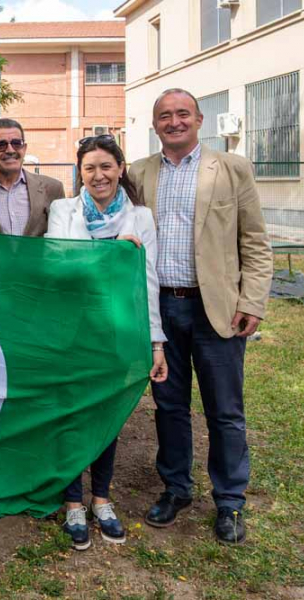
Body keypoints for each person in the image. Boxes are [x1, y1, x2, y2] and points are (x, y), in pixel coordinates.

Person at [130, 88, 273, 544]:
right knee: (169, 407)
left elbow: (254, 241)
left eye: (182, 114)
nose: (174, 122)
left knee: (225, 411)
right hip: (159, 310)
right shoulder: (138, 173)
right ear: (155, 125)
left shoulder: (231, 168)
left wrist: (251, 301)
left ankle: (229, 501)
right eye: (165, 116)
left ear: (199, 119)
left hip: (218, 310)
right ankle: (177, 488)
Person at [47, 135, 168, 551]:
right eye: (88, 169)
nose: (98, 175)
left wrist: (156, 342)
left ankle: (101, 498)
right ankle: (72, 500)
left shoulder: (142, 218)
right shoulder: (62, 211)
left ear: (120, 168)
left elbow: (147, 282)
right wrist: (109, 255)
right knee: (71, 412)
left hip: (118, 331)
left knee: (108, 415)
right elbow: (56, 267)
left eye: (105, 166)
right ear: (79, 173)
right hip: (71, 331)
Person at [0, 118, 65, 237]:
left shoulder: (52, 188)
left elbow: (61, 239)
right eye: (0, 145)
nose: (10, 150)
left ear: (24, 148)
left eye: (16, 143)